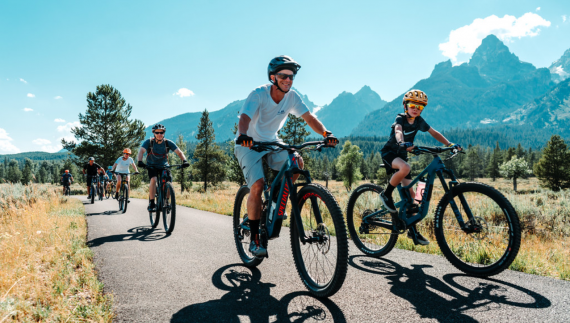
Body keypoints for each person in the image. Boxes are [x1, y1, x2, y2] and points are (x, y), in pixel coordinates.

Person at [235, 55, 339, 258]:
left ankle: (273, 201)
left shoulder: (292, 96)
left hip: (272, 142)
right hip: (249, 144)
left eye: (291, 77)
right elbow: (245, 118)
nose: (288, 80)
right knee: (256, 185)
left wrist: (326, 134)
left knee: (296, 162)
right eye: (283, 76)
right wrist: (243, 135)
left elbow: (309, 117)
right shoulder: (259, 94)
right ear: (273, 77)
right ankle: (255, 240)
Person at [379, 89, 462, 245]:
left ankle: (413, 232)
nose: (416, 109)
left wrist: (449, 144)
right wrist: (402, 142)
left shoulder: (419, 121)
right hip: (390, 153)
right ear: (405, 106)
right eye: (413, 105)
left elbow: (434, 133)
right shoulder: (401, 118)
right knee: (405, 168)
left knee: (412, 199)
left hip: (402, 155)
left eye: (420, 107)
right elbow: (398, 131)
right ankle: (386, 194)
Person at [137, 124, 190, 211]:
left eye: (161, 132)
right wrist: (139, 161)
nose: (159, 134)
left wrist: (184, 160)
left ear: (164, 133)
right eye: (157, 132)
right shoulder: (149, 142)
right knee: (153, 179)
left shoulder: (167, 143)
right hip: (151, 166)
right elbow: (141, 151)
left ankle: (166, 201)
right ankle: (152, 203)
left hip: (164, 166)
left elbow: (179, 152)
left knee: (169, 182)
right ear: (154, 133)